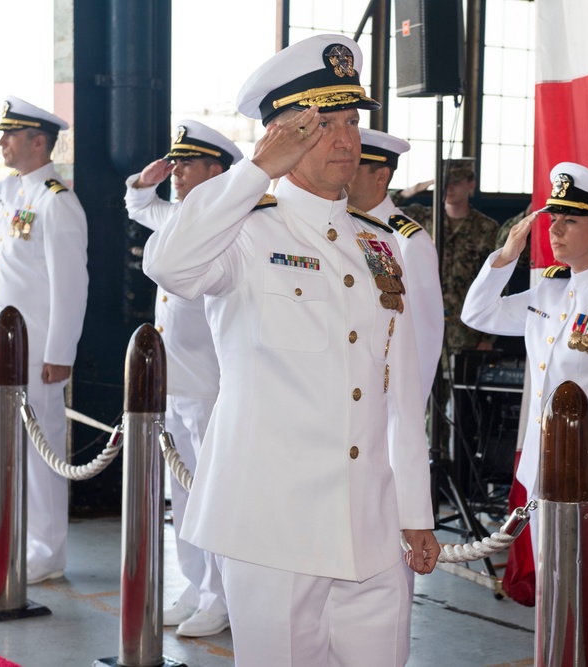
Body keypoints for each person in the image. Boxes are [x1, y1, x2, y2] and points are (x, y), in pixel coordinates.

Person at [143, 34, 439, 666]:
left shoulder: (378, 245)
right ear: (281, 137)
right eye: (321, 124)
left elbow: (401, 392)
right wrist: (254, 173)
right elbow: (169, 265)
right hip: (272, 528)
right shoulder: (247, 232)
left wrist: (415, 509)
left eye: (351, 121)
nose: (344, 139)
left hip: (372, 530)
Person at [461, 162, 588, 667]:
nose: (553, 229)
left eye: (569, 221)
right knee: (558, 603)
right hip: (546, 480)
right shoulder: (548, 292)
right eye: (552, 219)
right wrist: (505, 256)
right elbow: (477, 315)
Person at [0, 96, 89, 585]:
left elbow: (71, 284)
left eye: (9, 136)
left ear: (38, 141)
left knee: (40, 451)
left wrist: (60, 354)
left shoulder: (56, 201)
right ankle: (12, 545)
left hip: (36, 353)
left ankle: (46, 553)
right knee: (8, 452)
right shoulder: (8, 191)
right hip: (2, 349)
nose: (2, 142)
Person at [123, 120, 242, 637]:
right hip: (174, 383)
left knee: (213, 496)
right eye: (175, 163)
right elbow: (139, 207)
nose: (177, 173)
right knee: (183, 495)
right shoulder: (177, 216)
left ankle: (221, 598)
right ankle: (195, 585)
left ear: (216, 171)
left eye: (186, 164)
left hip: (213, 385)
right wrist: (143, 182)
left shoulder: (228, 221)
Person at [347, 128, 444, 403]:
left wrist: (404, 413)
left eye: (353, 167)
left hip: (383, 402)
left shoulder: (407, 241)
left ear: (381, 176)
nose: (343, 175)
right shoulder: (339, 228)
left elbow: (423, 338)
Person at [392, 157, 499, 353]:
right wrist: (411, 190)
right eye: (444, 183)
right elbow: (380, 208)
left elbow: (497, 279)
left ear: (470, 184)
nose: (449, 188)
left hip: (466, 328)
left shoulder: (487, 227)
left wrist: (488, 336)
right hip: (423, 322)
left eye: (456, 183)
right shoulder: (423, 218)